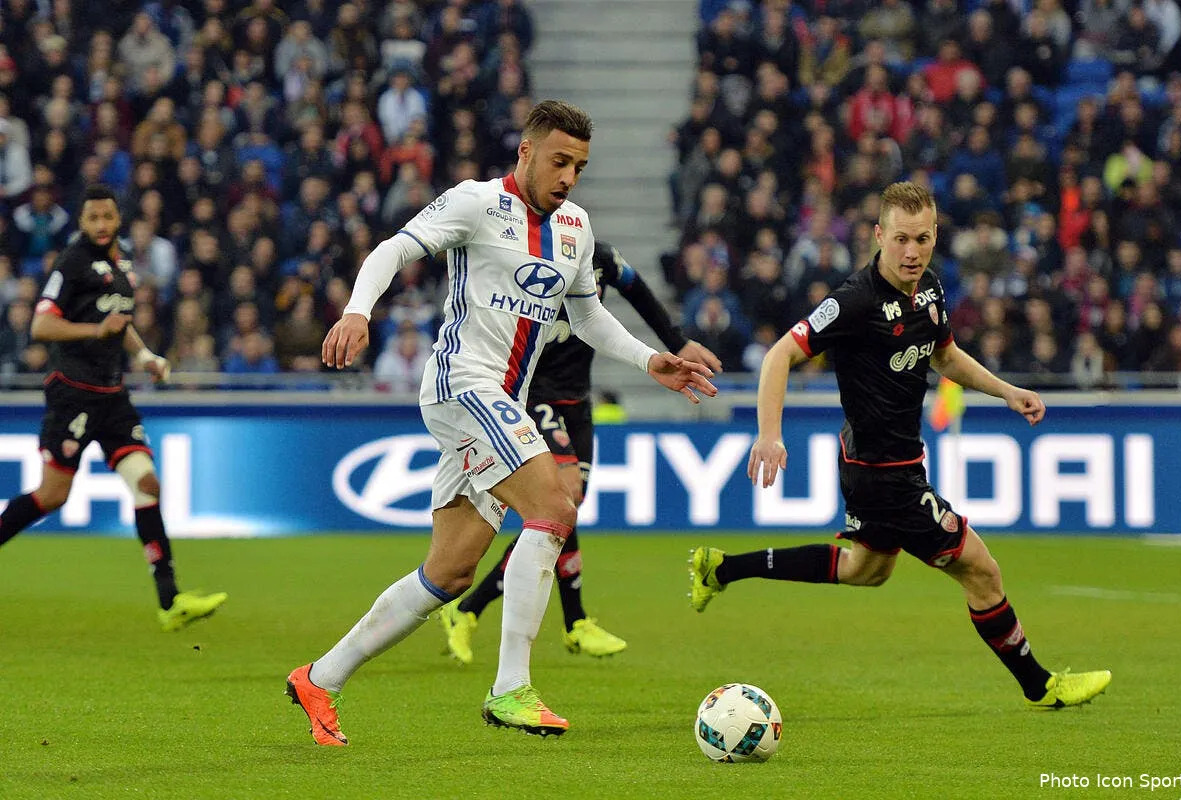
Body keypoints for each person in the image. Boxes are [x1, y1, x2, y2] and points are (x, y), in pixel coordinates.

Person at [287, 100, 717, 745]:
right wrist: (357, 311)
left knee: (450, 572)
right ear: (525, 153)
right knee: (554, 505)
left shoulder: (574, 227)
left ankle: (320, 677)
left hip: (502, 401)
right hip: (463, 384)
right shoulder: (475, 203)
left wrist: (651, 358)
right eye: (558, 161)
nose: (569, 176)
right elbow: (392, 249)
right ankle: (510, 688)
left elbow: (590, 315)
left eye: (579, 166)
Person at [689, 182, 1111, 710]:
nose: (912, 252)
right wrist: (769, 435)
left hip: (892, 460)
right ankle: (1040, 684)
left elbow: (946, 356)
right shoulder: (853, 301)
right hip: (883, 473)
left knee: (865, 570)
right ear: (878, 236)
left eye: (923, 239)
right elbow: (778, 356)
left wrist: (1006, 391)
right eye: (901, 240)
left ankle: (721, 568)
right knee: (981, 569)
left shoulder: (929, 288)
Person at [438, 241, 724, 665]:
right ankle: (574, 622)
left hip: (577, 398)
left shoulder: (602, 257)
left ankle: (470, 609)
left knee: (562, 514)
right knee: (564, 495)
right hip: (533, 393)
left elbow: (638, 289)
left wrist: (676, 342)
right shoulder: (526, 261)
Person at [0, 185, 228, 633]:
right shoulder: (72, 263)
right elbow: (42, 325)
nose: (101, 225)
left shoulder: (122, 262)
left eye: (108, 217)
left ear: (118, 219)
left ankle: (171, 600)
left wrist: (143, 356)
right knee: (52, 495)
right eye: (93, 219)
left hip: (113, 395)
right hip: (73, 393)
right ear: (82, 222)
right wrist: (93, 330)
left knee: (146, 482)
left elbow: (119, 324)